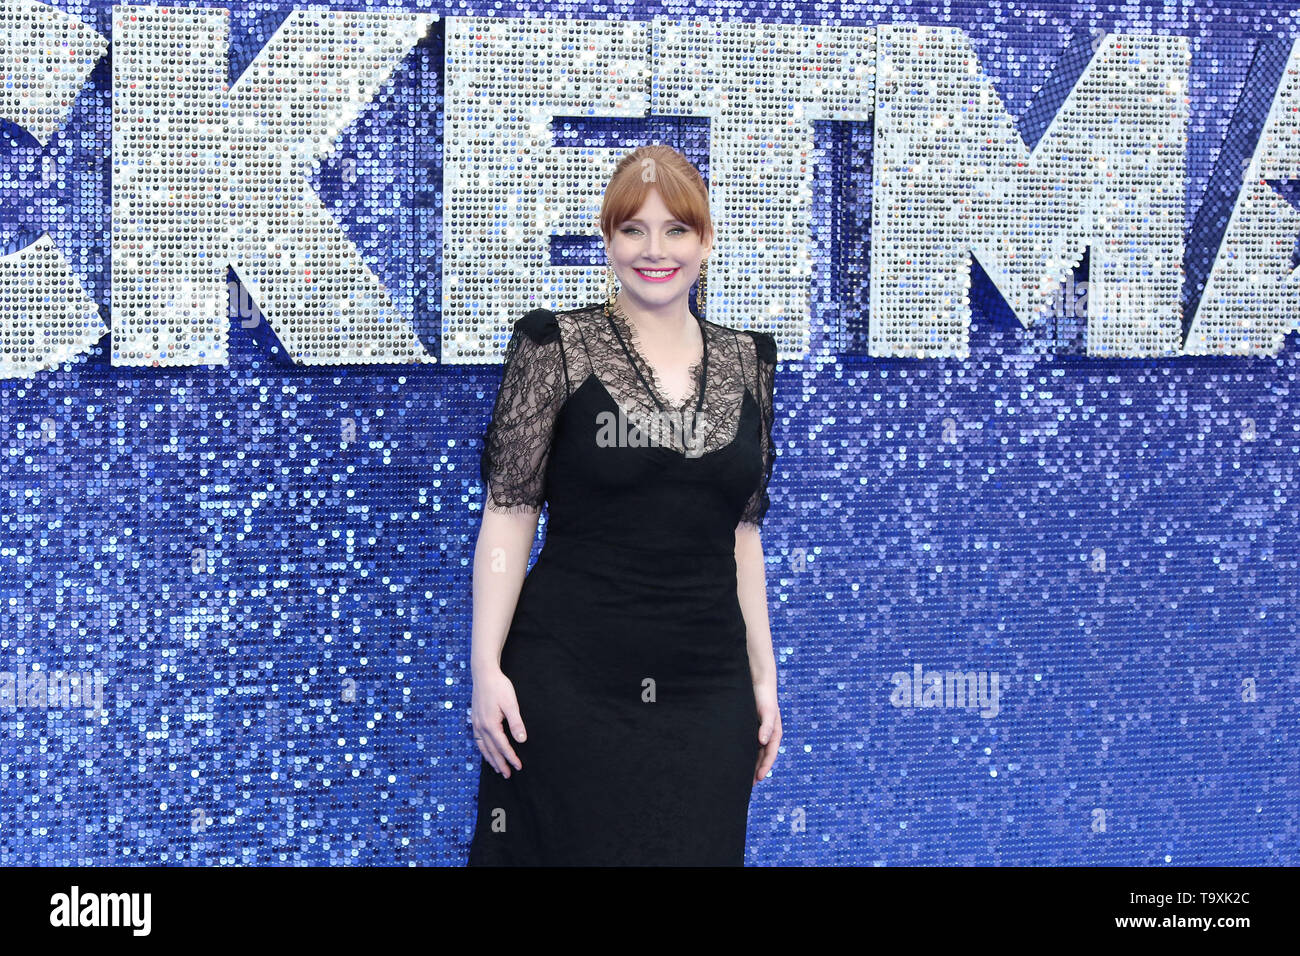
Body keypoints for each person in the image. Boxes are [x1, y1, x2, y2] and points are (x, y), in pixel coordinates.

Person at [467, 144, 781, 866]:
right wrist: (486, 667)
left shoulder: (750, 363)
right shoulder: (556, 348)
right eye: (632, 229)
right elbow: (510, 514)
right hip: (568, 683)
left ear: (706, 240)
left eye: (676, 229)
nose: (654, 250)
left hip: (708, 688)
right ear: (607, 241)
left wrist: (765, 677)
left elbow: (742, 533)